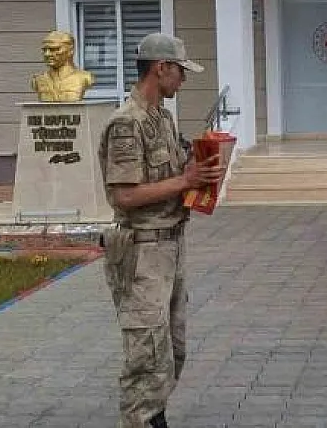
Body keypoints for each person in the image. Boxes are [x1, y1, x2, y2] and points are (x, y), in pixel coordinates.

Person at [98, 33, 226, 428]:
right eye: (180, 71)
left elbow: (175, 175)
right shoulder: (126, 123)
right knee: (146, 353)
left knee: (173, 349)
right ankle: (142, 420)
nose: (183, 80)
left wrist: (201, 168)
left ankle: (155, 414)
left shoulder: (163, 119)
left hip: (170, 244)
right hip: (142, 250)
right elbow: (125, 196)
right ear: (161, 68)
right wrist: (186, 180)